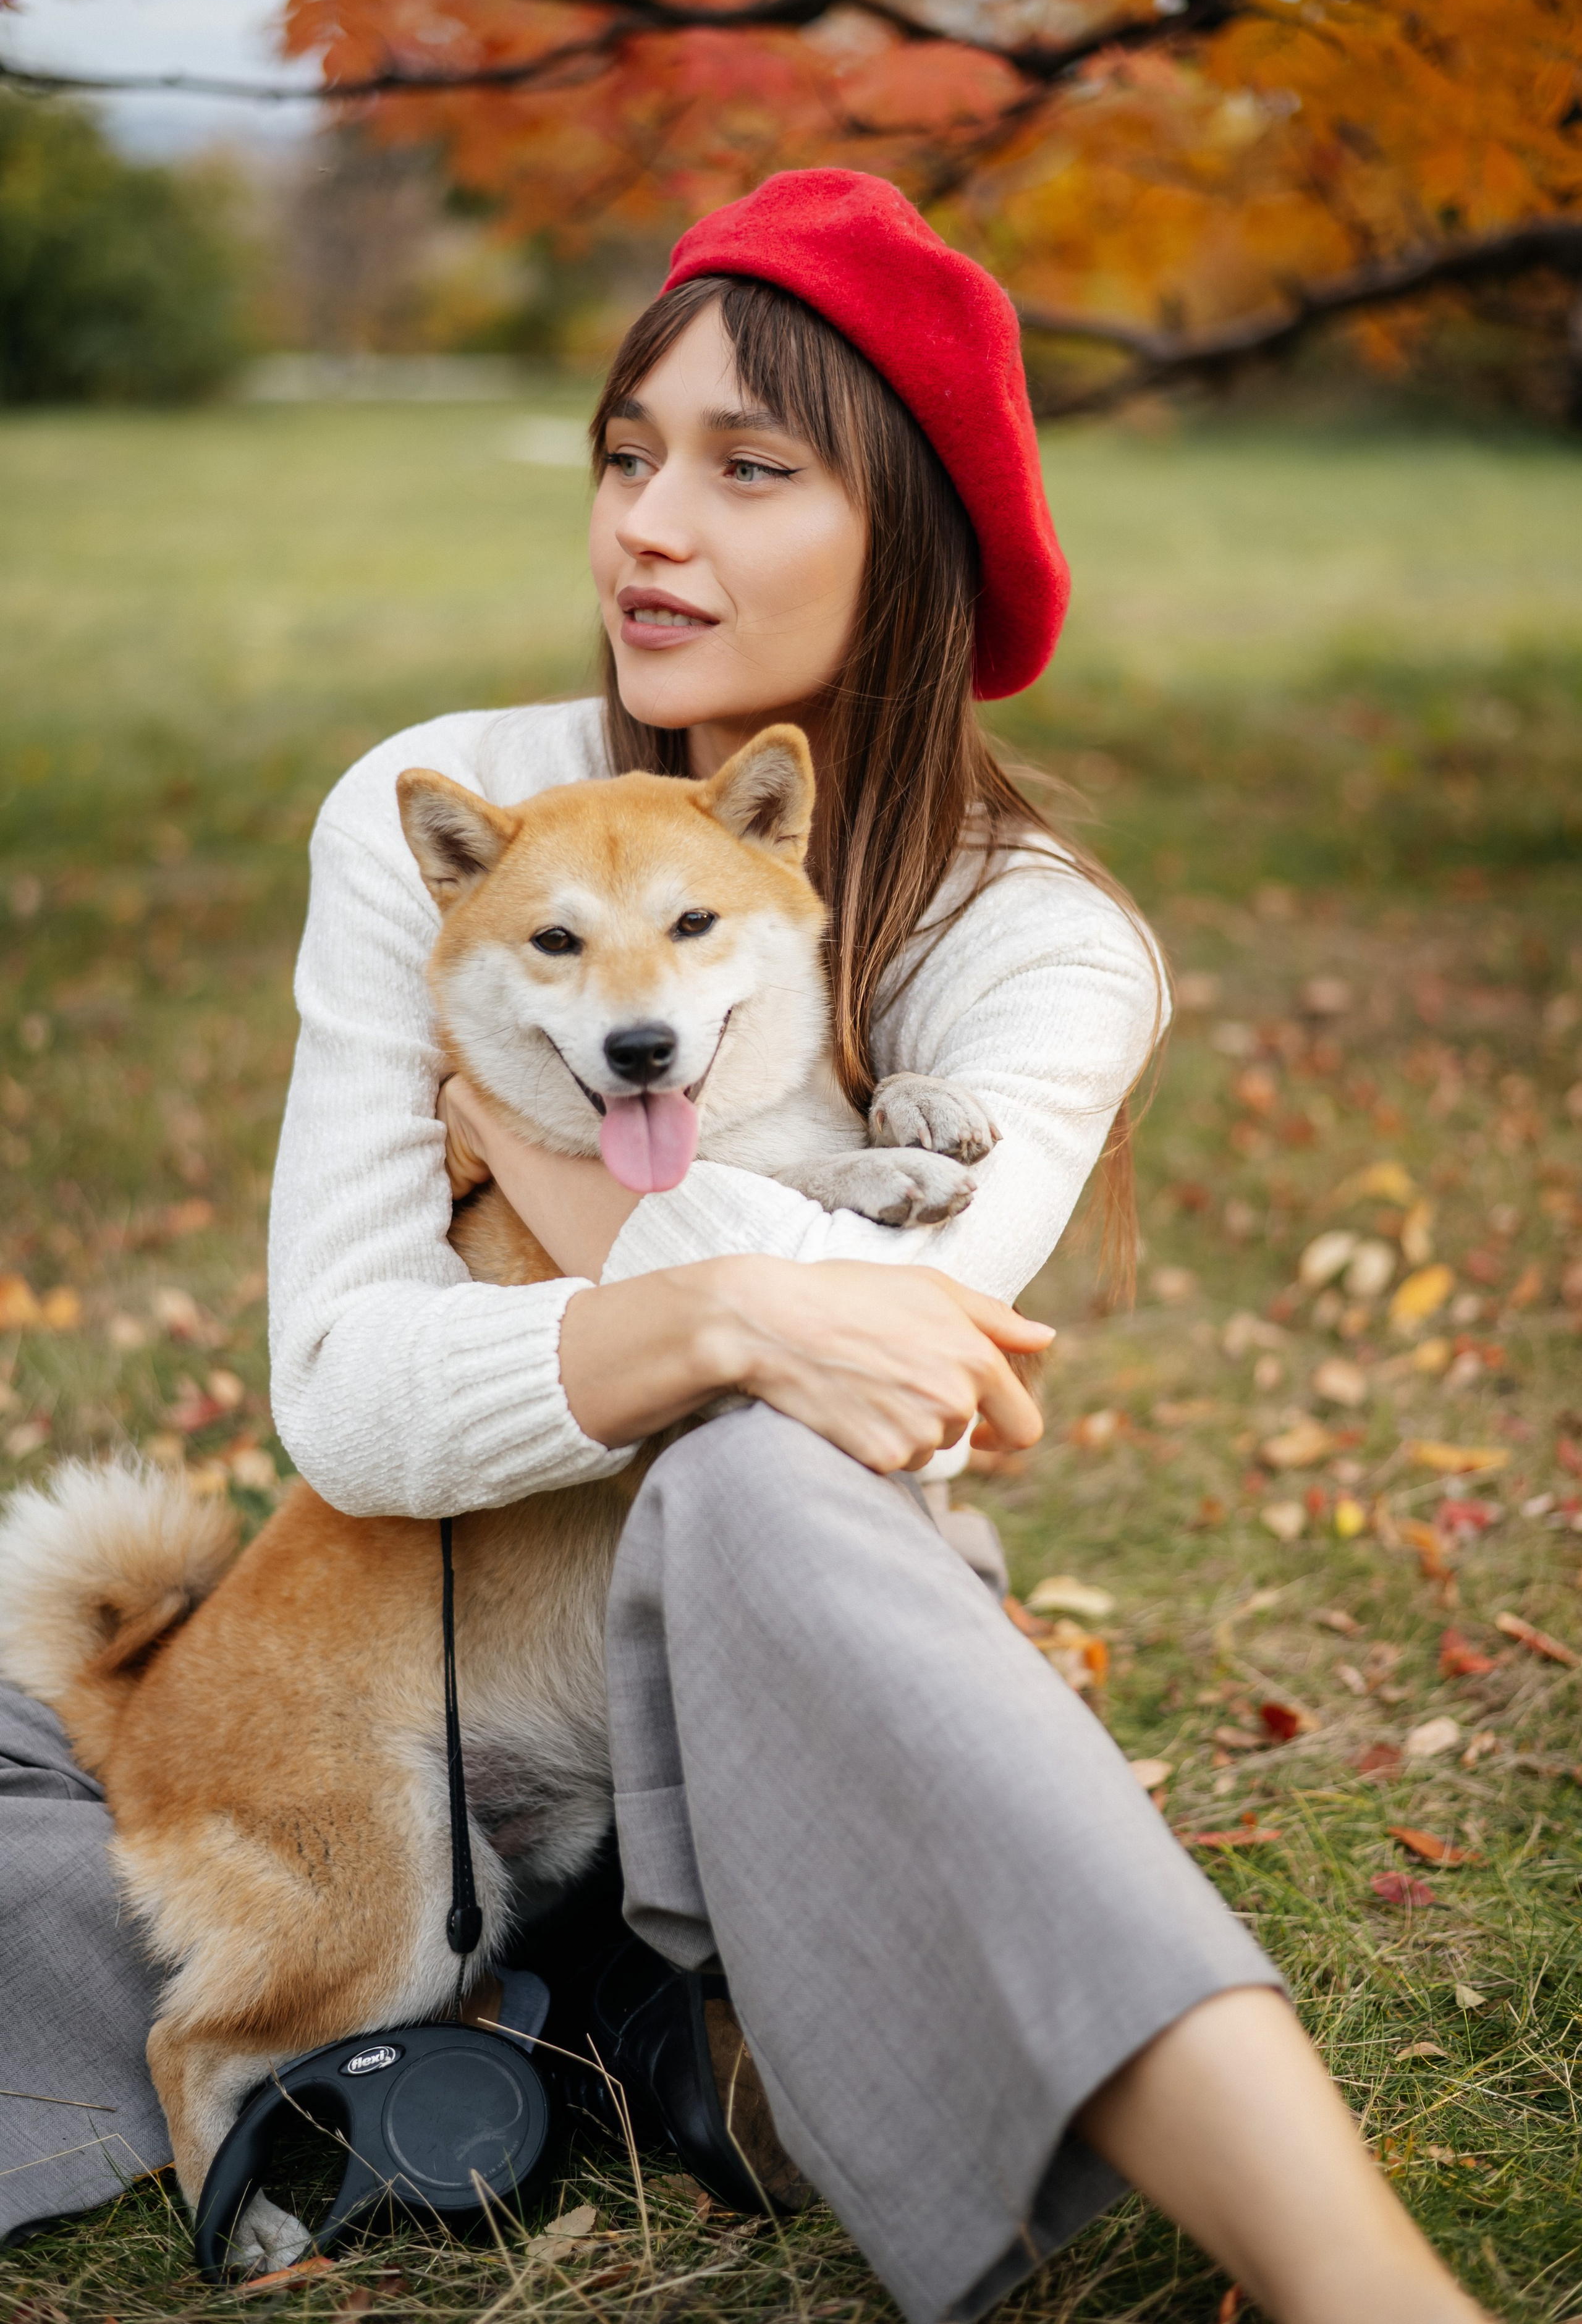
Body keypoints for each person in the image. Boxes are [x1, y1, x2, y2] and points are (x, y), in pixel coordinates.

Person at [0, 169, 1486, 2324]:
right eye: (627, 455)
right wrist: (734, 1297)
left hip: (793, 1653)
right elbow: (355, 1401)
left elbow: (887, 1391)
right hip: (448, 1706)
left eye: (748, 467)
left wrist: (550, 1187)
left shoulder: (1046, 948)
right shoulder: (446, 806)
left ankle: (1340, 2271)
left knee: (764, 1481)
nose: (648, 528)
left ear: (912, 535)